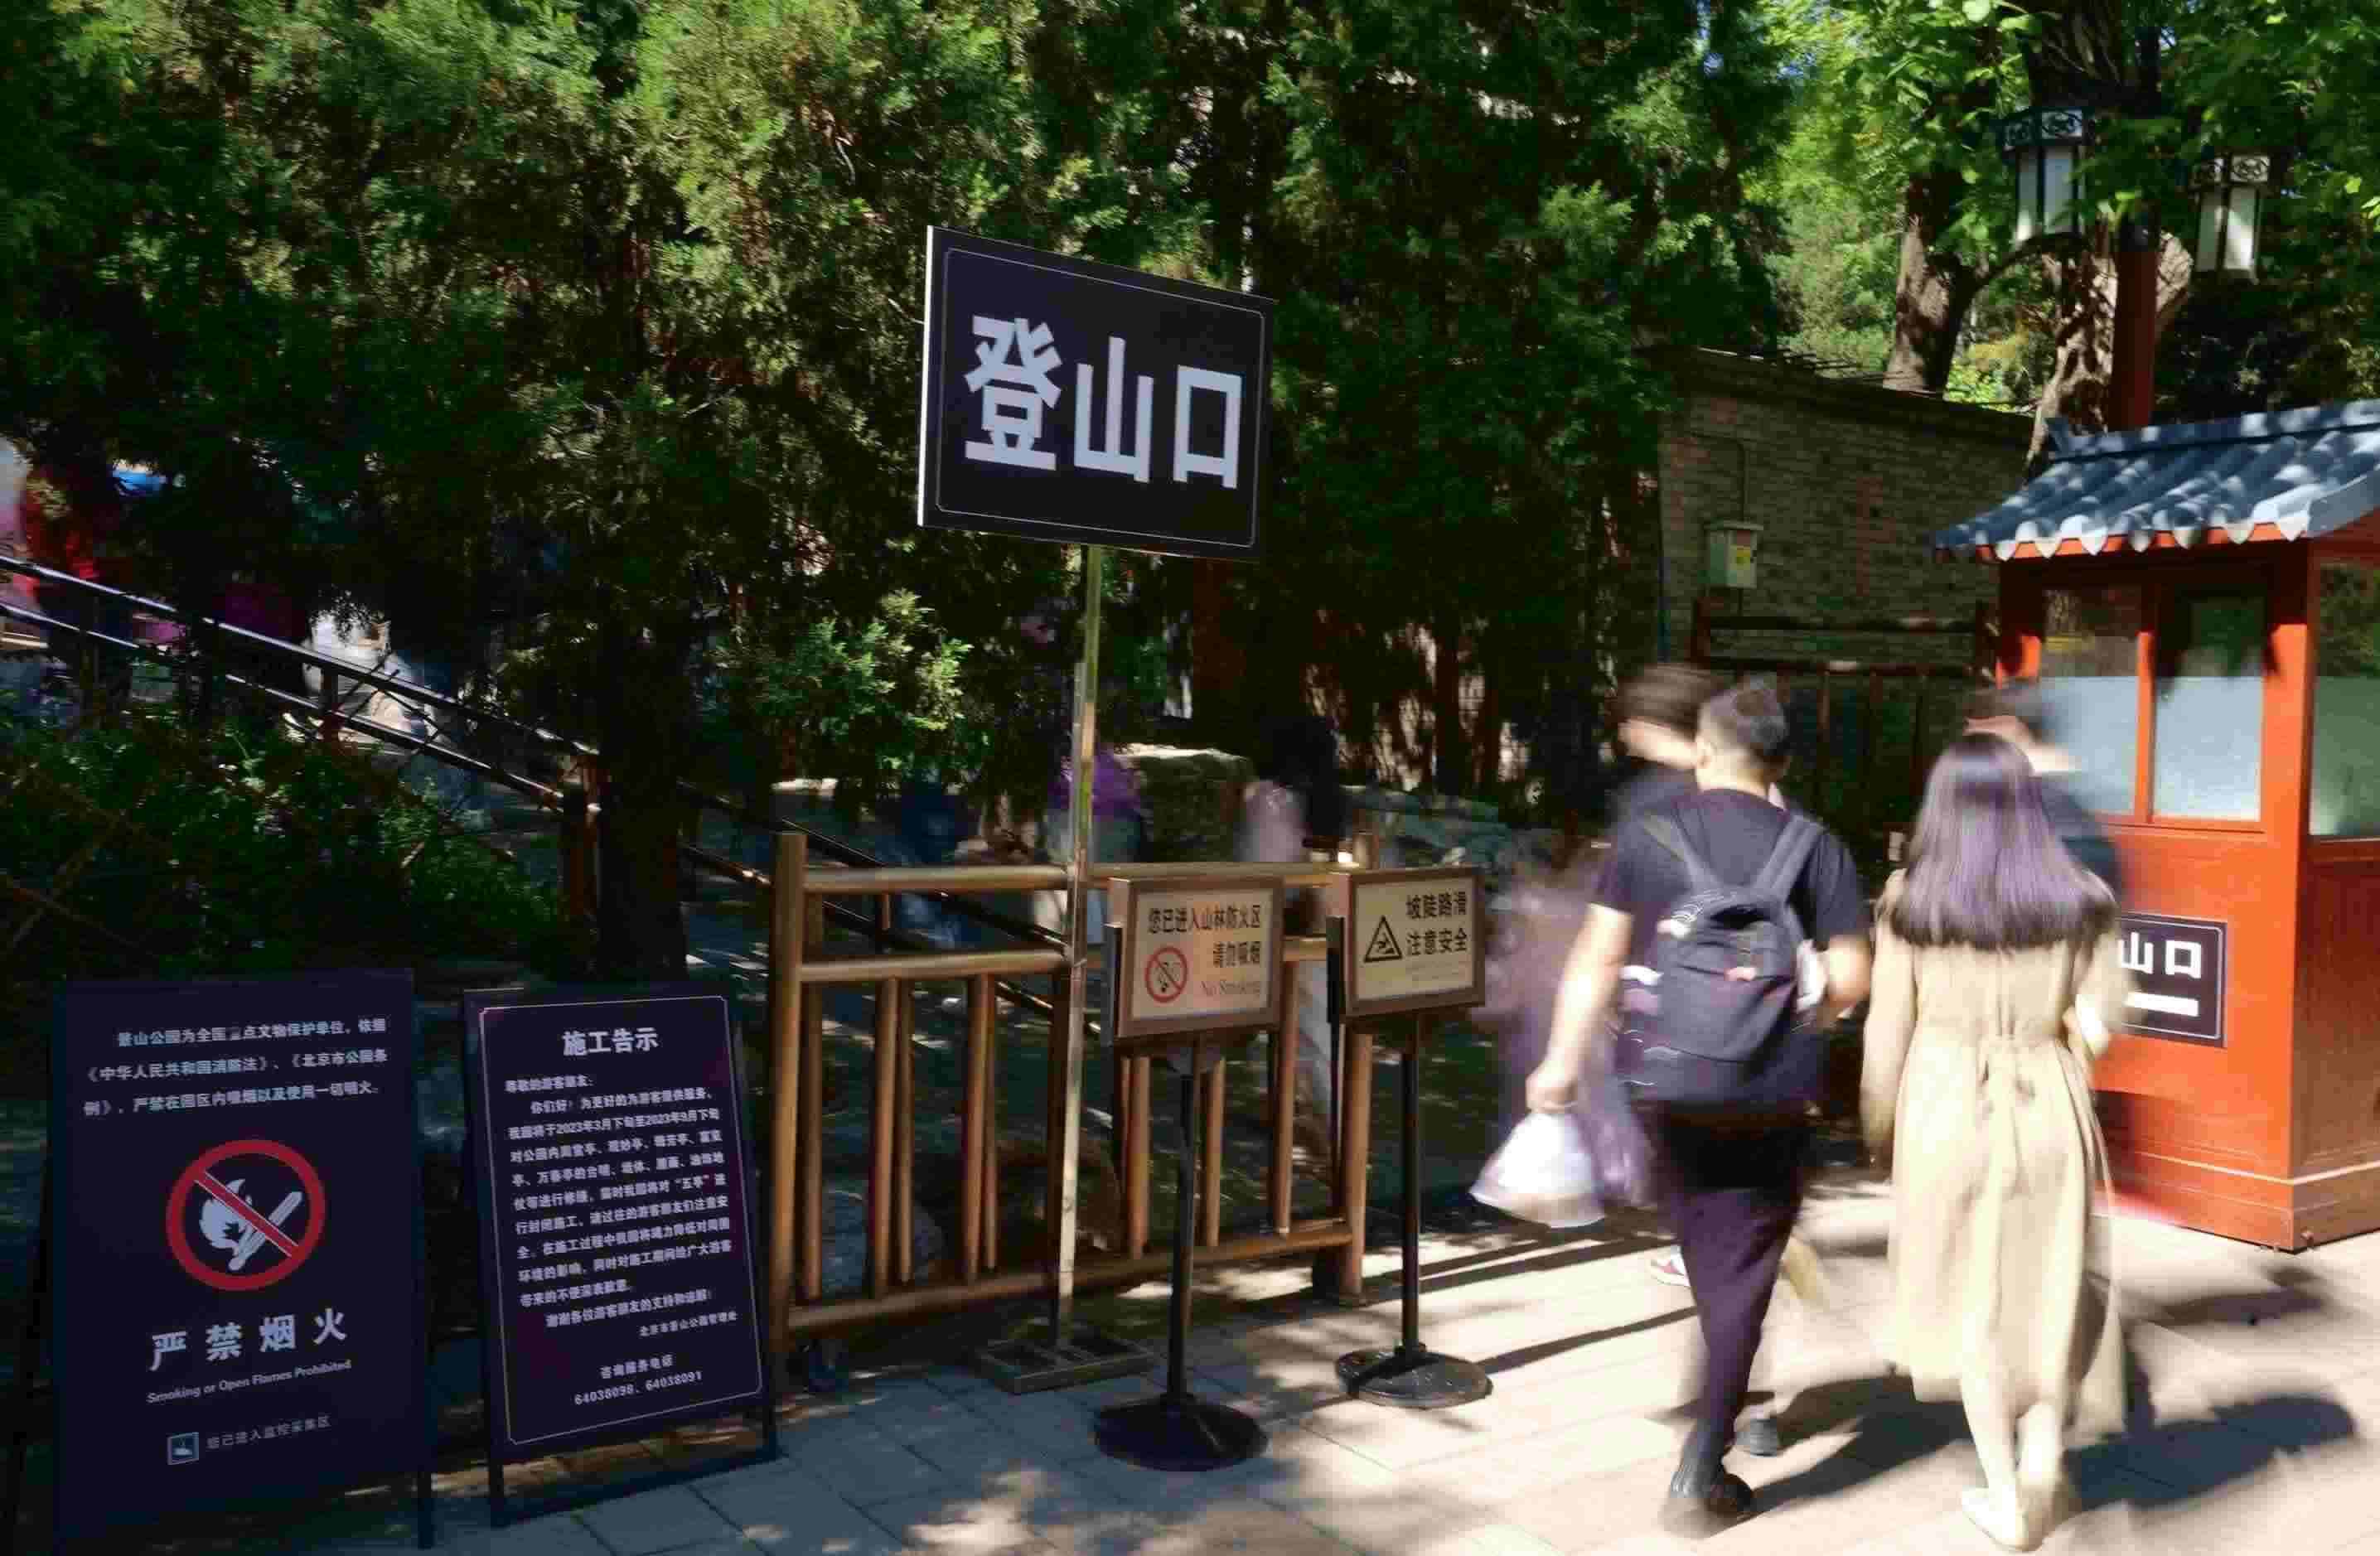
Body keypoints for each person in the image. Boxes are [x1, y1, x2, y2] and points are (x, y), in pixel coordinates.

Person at [1530, 683, 1872, 1534]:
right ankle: (1702, 1463)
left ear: (1706, 749)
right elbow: (1852, 977)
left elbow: (1594, 959)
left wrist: (1559, 1063)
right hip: (1770, 1092)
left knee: (1708, 1254)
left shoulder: (1647, 838)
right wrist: (1795, 1014)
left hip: (1669, 1088)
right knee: (1742, 1273)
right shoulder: (1818, 847)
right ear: (1780, 763)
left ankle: (1714, 1408)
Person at [1861, 734, 2128, 1551]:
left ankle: (2009, 1495)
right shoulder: (2082, 897)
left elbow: (1886, 1033)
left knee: (1972, 1305)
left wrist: (1876, 1130)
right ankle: (2046, 1465)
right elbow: (2107, 1017)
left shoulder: (1909, 901)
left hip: (1944, 1109)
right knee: (2049, 1289)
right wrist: (2061, 1042)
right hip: (2047, 1100)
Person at [1964, 679, 2124, 903]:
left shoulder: (2034, 803)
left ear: (2012, 730)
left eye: (1981, 734)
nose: (1969, 741)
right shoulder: (2054, 794)